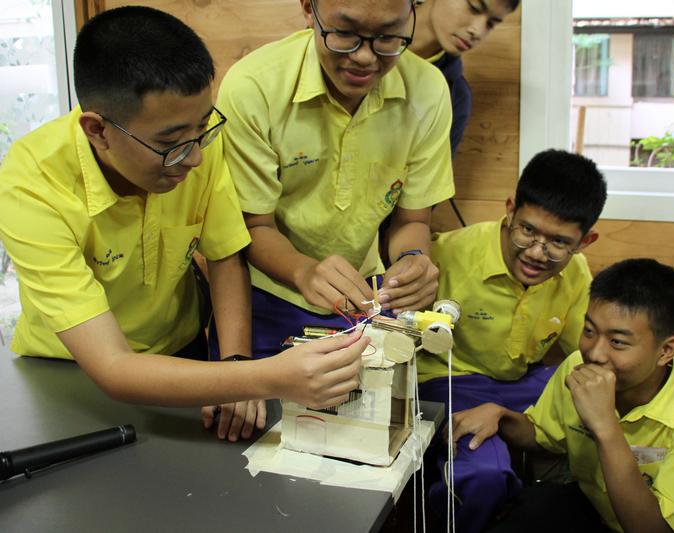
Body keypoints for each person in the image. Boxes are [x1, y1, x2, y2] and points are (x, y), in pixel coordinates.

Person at [0, 6, 368, 442]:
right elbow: (113, 368)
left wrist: (235, 362)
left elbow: (226, 254)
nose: (194, 157)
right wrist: (268, 377)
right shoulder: (30, 184)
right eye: (170, 143)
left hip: (181, 351)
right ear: (97, 130)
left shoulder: (191, 139)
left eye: (203, 128)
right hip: (69, 372)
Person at [214, 0, 454, 358]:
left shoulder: (427, 91)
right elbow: (253, 226)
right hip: (264, 294)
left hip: (366, 294)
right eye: (344, 33)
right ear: (308, 9)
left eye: (388, 37)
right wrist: (304, 271)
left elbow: (412, 220)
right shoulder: (255, 87)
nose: (365, 57)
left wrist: (412, 260)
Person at [452, 258, 674, 532]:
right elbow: (543, 434)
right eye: (589, 330)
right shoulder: (577, 365)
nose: (595, 353)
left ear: (665, 350)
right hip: (595, 511)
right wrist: (501, 416)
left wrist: (604, 424)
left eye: (618, 342)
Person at [416, 149, 607, 531]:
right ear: (510, 210)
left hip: (519, 385)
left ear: (585, 241)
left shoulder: (576, 272)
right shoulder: (448, 253)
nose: (537, 253)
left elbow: (592, 354)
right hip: (450, 381)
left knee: (604, 391)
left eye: (559, 242)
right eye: (528, 231)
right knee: (483, 476)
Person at [410, 0, 520, 156]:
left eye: (490, 24)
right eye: (473, 8)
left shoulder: (455, 98)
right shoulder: (374, 23)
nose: (478, 31)